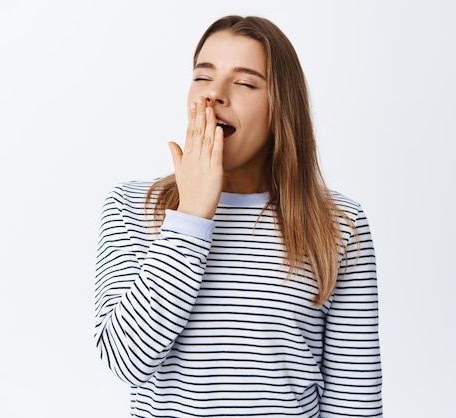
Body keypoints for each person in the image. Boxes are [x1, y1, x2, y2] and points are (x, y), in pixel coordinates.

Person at [94, 15, 382, 418]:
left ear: (280, 107)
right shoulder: (131, 207)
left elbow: (355, 400)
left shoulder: (337, 223)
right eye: (202, 77)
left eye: (245, 83)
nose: (215, 95)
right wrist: (191, 215)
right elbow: (124, 361)